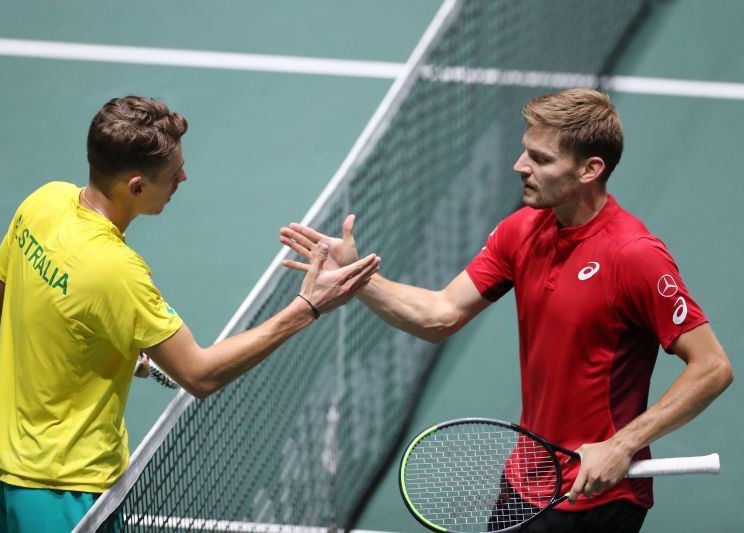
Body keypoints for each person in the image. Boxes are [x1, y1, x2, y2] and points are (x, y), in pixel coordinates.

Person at [279, 88, 733, 532]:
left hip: (595, 495)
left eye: (540, 158)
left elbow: (712, 367)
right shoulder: (521, 231)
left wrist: (623, 445)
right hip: (526, 479)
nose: (520, 166)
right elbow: (440, 315)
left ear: (590, 169)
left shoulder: (633, 256)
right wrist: (358, 278)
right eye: (525, 151)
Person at [0, 95, 381, 532]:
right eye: (173, 175)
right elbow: (199, 375)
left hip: (5, 468)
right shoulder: (117, 271)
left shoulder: (43, 202)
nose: (183, 177)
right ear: (136, 187)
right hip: (67, 491)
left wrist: (99, 353)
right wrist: (309, 306)